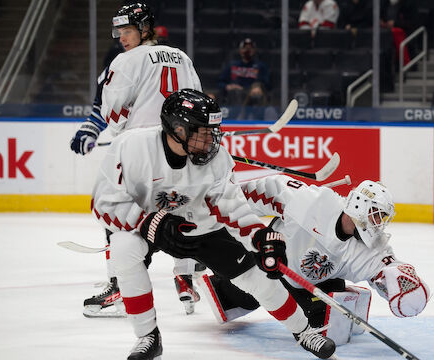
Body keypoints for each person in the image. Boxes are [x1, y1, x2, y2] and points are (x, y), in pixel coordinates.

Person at [93, 89, 336, 360]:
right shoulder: (131, 147)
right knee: (123, 248)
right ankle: (148, 336)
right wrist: (150, 223)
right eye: (203, 133)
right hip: (147, 225)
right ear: (178, 130)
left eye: (213, 132)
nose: (212, 140)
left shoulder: (217, 158)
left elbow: (231, 204)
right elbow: (104, 202)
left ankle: (303, 331)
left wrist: (259, 237)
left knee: (256, 278)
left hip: (202, 228)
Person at [70, 2, 203, 318]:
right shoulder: (181, 57)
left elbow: (112, 112)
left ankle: (119, 288)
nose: (121, 38)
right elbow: (197, 101)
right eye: (119, 31)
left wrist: (105, 127)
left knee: (115, 213)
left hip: (139, 152)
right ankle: (185, 277)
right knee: (179, 208)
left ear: (145, 29)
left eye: (127, 30)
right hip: (176, 150)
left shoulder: (126, 61)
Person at [198, 175, 431, 345]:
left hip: (316, 285)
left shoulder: (372, 246)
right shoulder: (312, 202)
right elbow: (259, 192)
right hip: (275, 266)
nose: (379, 223)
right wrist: (217, 210)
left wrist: (399, 281)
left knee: (326, 328)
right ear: (359, 206)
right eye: (377, 215)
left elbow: (387, 268)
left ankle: (344, 297)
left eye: (382, 218)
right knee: (234, 299)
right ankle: (224, 286)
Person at [217, 38, 270, 106]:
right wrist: (227, 86)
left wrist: (258, 87)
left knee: (256, 94)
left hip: (252, 95)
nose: (247, 50)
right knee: (234, 93)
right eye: (245, 48)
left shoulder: (261, 66)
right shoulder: (232, 65)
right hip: (236, 95)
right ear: (240, 50)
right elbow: (220, 83)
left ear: (254, 50)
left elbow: (267, 84)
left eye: (250, 48)